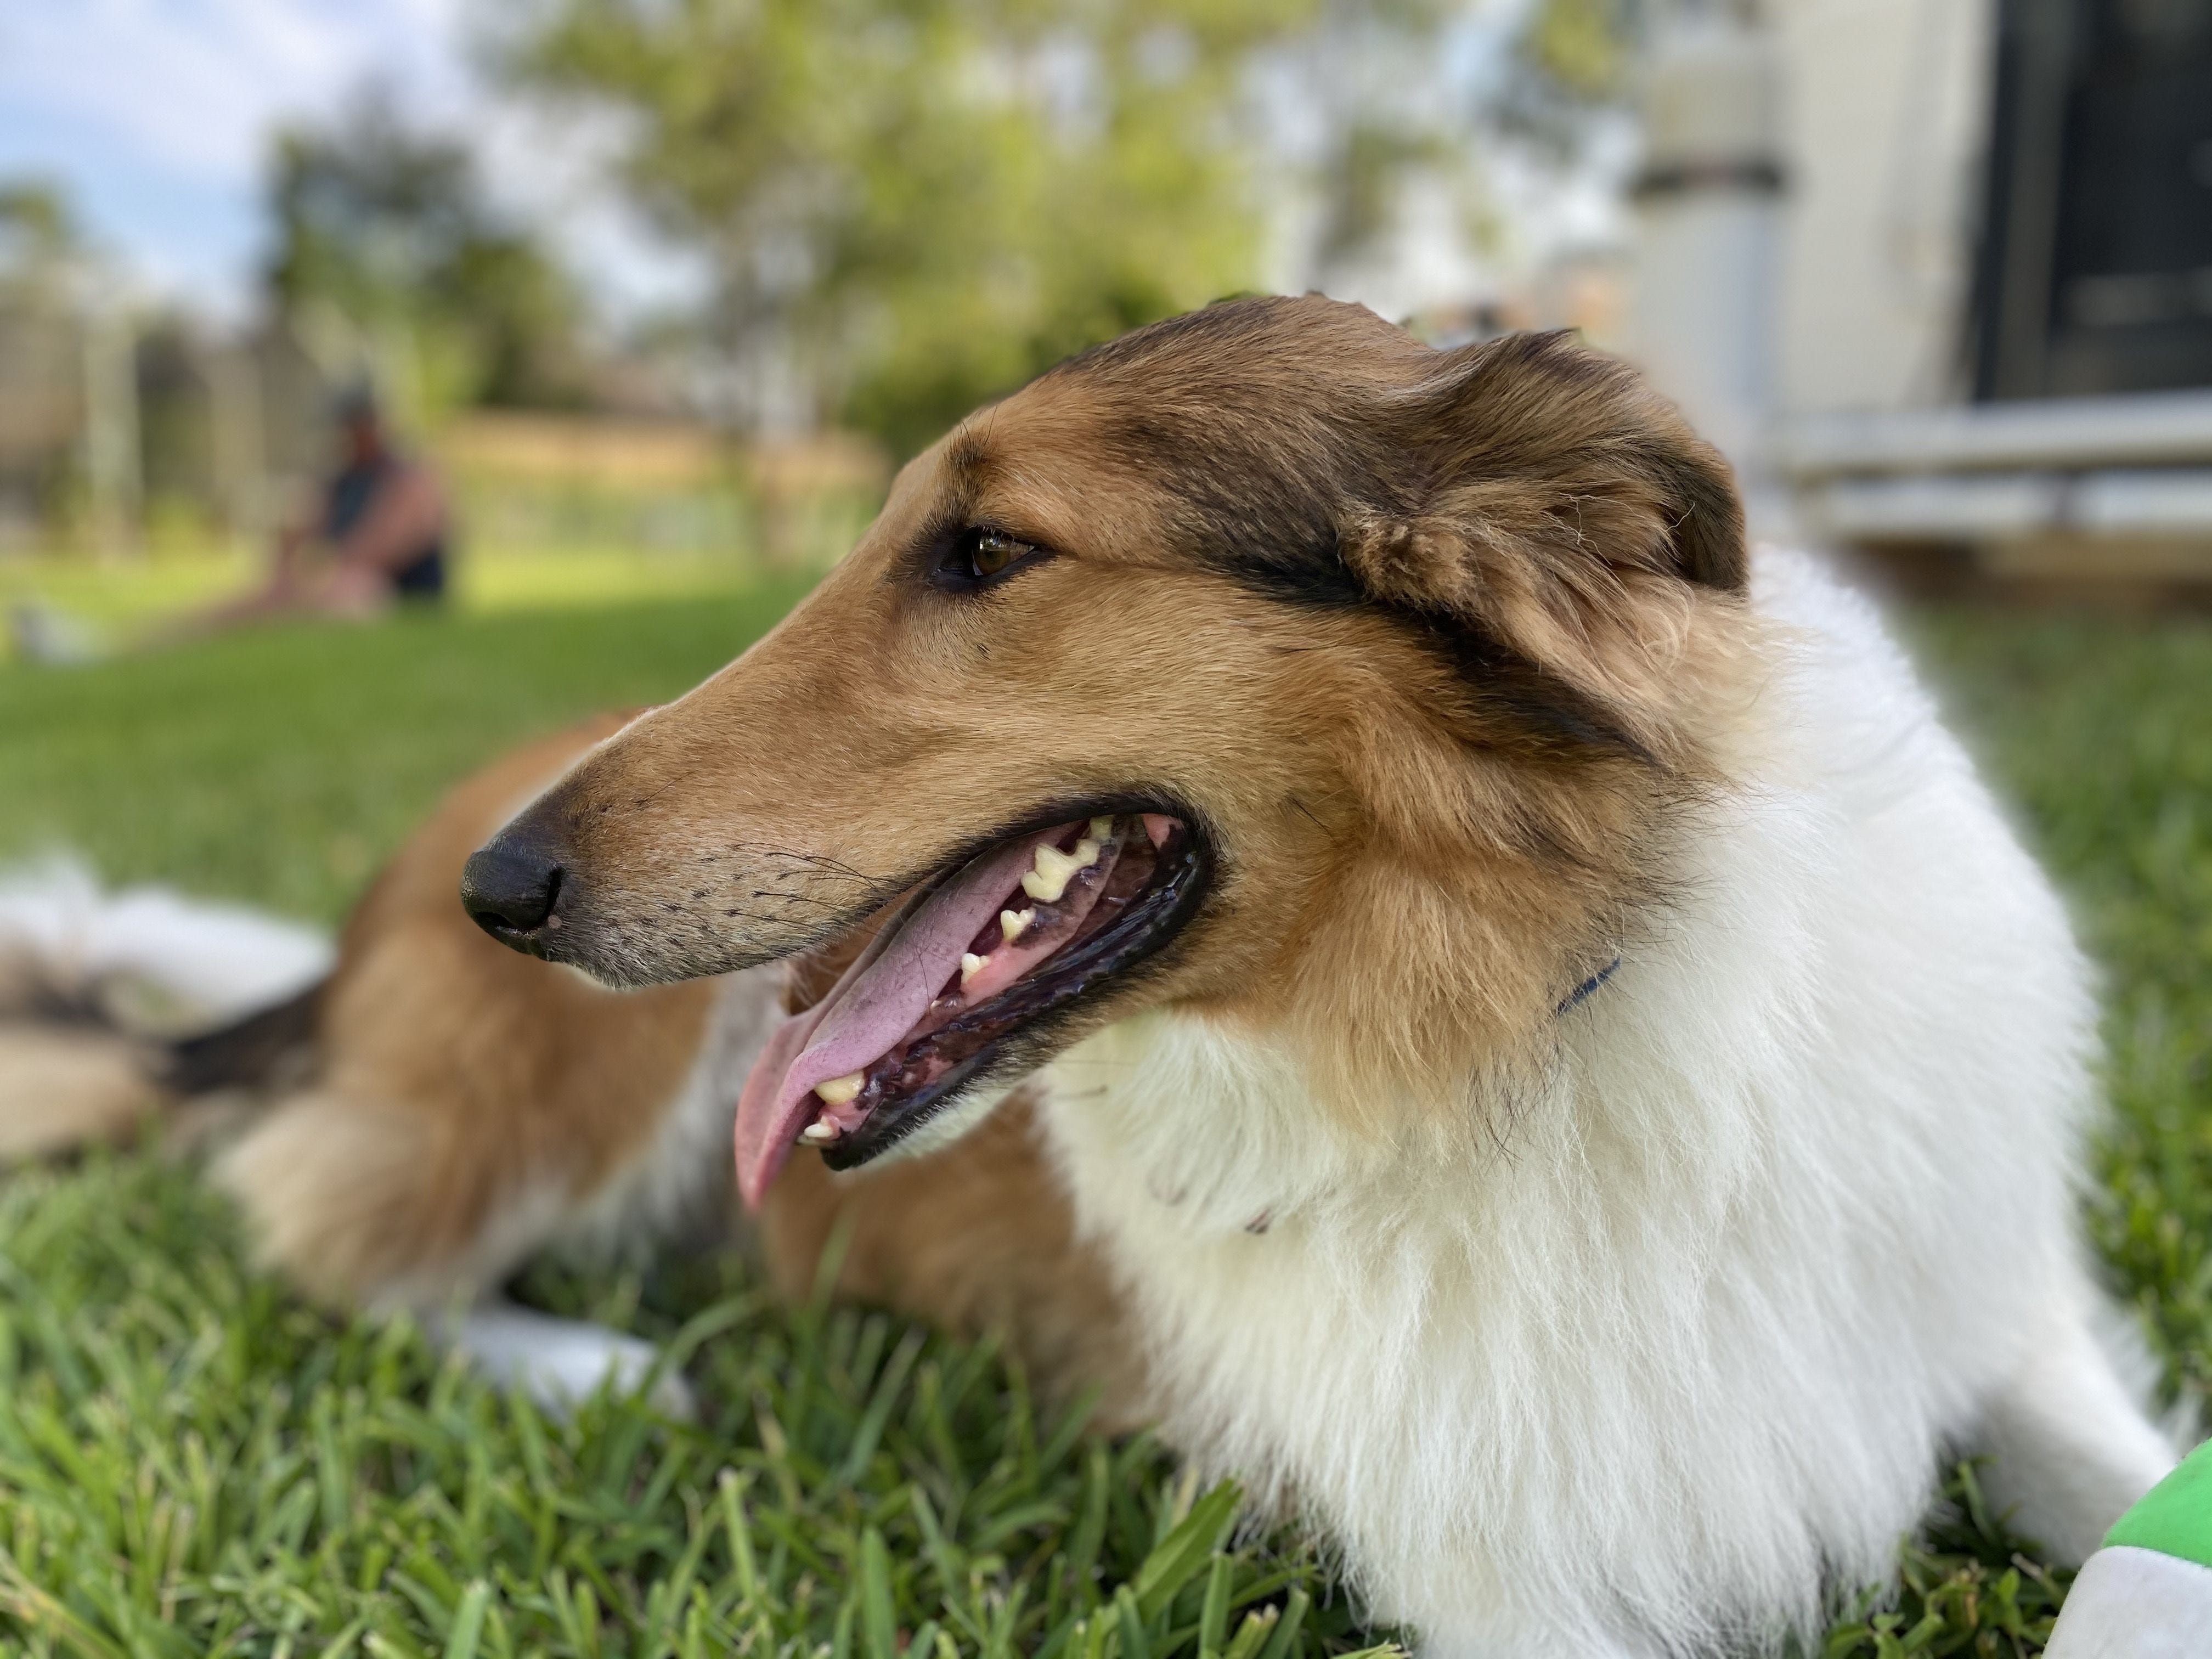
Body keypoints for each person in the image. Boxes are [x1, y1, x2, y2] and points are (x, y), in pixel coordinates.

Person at [182, 386, 451, 633]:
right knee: (274, 597)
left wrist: (318, 579)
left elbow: (379, 550)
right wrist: (285, 571)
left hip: (392, 592)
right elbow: (299, 531)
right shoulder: (341, 481)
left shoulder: (408, 478)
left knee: (351, 591)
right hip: (348, 580)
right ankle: (187, 629)